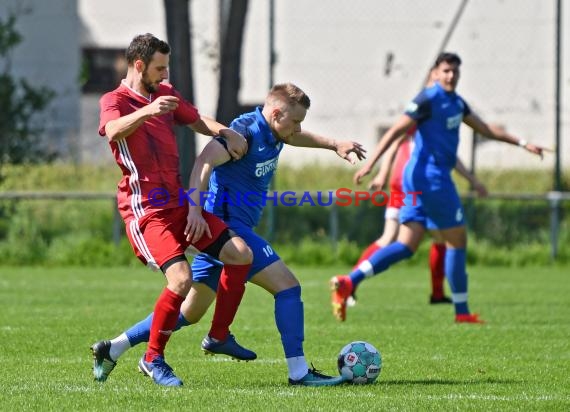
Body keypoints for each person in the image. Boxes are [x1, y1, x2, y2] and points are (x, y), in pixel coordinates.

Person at [91, 83, 366, 386]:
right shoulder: (245, 131)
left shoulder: (276, 132)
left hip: (229, 233)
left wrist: (334, 144)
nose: (298, 128)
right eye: (295, 121)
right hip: (229, 229)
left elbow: (296, 136)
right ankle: (297, 371)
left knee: (187, 312)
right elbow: (203, 162)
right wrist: (195, 209)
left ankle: (113, 347)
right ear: (276, 113)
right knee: (288, 287)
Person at [330, 52, 547, 324]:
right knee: (457, 240)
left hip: (420, 181)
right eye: (445, 70)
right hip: (431, 181)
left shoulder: (456, 103)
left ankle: (349, 281)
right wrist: (371, 164)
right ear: (435, 72)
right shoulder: (428, 99)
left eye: (454, 71)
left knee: (406, 245)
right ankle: (462, 311)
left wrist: (522, 142)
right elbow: (395, 132)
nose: (450, 75)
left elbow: (486, 129)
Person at [91, 33, 258, 387]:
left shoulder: (165, 94)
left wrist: (226, 132)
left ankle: (219, 336)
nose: (165, 76)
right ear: (139, 65)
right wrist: (148, 110)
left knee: (240, 254)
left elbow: (196, 120)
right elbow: (112, 130)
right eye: (159, 68)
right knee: (181, 280)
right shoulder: (115, 100)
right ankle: (153, 359)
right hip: (146, 211)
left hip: (179, 204)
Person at [342, 125, 488, 316]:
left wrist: (383, 175)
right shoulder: (422, 118)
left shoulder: (426, 119)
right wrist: (382, 174)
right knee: (402, 240)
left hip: (405, 186)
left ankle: (437, 294)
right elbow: (395, 144)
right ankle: (350, 282)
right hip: (412, 188)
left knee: (433, 238)